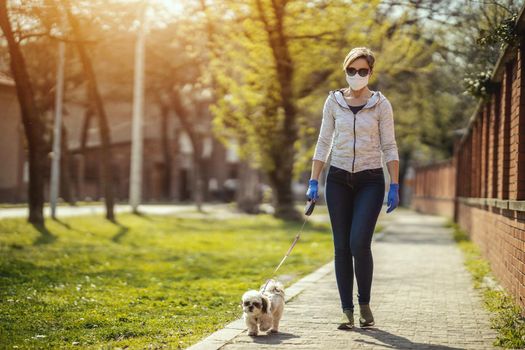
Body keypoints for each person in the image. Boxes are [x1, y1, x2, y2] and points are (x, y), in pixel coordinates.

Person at [306, 47, 400, 330]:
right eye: (351, 71)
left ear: (370, 73)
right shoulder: (333, 102)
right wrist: (314, 180)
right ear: (345, 71)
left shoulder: (381, 104)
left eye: (362, 71)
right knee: (341, 246)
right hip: (338, 179)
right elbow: (324, 141)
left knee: (359, 242)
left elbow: (390, 145)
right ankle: (346, 310)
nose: (356, 76)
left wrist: (394, 184)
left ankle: (364, 305)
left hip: (370, 179)